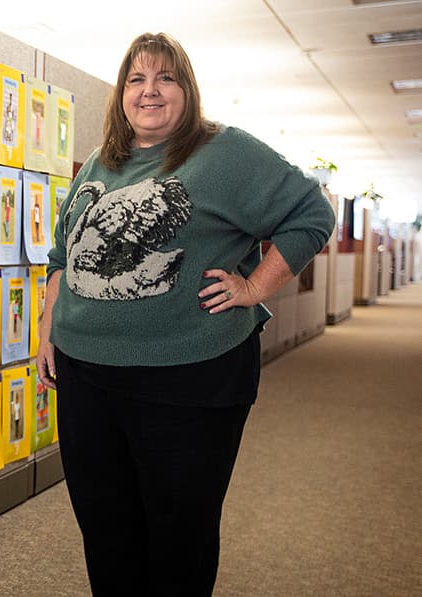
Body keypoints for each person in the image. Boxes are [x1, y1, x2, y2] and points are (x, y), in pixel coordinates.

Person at [35, 33, 334, 596]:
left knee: (178, 539)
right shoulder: (105, 160)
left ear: (187, 89)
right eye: (136, 79)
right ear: (122, 94)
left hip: (188, 380)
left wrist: (252, 286)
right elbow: (61, 256)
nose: (149, 91)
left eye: (164, 78)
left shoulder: (225, 152)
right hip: (87, 378)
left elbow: (310, 214)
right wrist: (50, 327)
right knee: (106, 531)